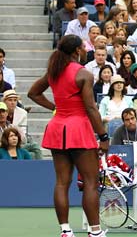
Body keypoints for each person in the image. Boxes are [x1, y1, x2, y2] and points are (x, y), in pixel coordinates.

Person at [28, 35, 109, 237]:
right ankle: (95, 232)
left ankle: (65, 230)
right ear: (76, 51)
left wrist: (55, 107)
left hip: (58, 129)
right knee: (91, 181)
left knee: (62, 182)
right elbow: (90, 108)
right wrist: (104, 136)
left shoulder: (54, 72)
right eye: (83, 47)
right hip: (78, 129)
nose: (84, 50)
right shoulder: (84, 74)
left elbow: (33, 93)